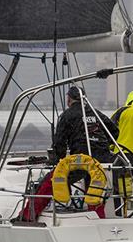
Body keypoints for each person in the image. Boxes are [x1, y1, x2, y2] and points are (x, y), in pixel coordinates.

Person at [21, 86, 119, 221]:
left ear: (69, 99)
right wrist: (102, 144)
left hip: (82, 160)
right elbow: (115, 131)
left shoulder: (67, 115)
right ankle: (97, 219)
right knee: (95, 188)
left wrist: (58, 159)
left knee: (49, 182)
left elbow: (59, 143)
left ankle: (27, 216)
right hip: (103, 160)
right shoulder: (97, 114)